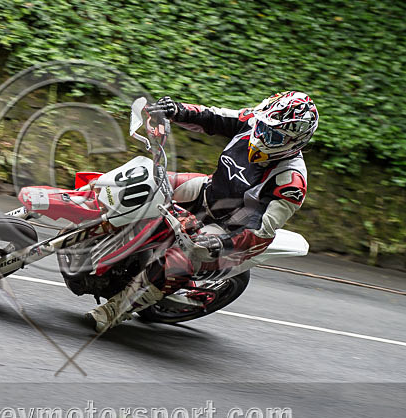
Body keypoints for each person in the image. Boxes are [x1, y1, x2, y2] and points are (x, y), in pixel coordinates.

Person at [85, 91, 319, 332]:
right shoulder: (252, 121)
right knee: (143, 181)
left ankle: (115, 310)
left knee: (180, 259)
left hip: (227, 228)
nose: (261, 137)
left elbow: (262, 231)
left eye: (272, 135)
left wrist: (222, 244)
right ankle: (82, 202)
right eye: (261, 127)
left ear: (295, 141)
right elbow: (213, 116)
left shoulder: (291, 182)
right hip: (206, 191)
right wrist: (176, 110)